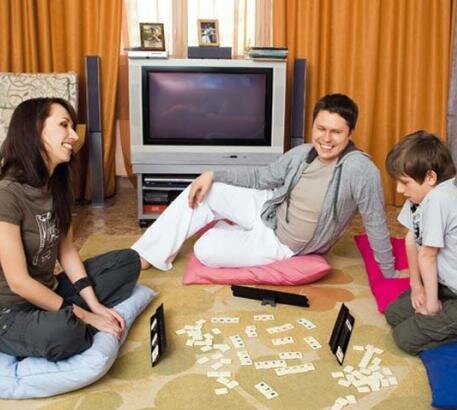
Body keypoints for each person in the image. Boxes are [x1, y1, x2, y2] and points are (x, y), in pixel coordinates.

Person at [132, 93, 396, 278]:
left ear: (350, 133)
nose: (326, 139)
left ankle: (232, 229)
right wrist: (212, 174)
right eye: (321, 128)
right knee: (205, 188)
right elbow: (262, 177)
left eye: (336, 132)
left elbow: (375, 220)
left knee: (204, 249)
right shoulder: (302, 152)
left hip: (281, 243)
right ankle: (145, 254)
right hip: (270, 207)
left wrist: (389, 272)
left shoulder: (360, 170)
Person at [0, 97, 141, 361]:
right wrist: (86, 316)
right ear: (35, 130)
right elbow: (19, 282)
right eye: (64, 125)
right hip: (7, 312)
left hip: (50, 294)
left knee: (128, 261)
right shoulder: (5, 195)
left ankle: (64, 317)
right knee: (66, 332)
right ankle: (64, 322)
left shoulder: (55, 186)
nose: (74, 136)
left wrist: (95, 305)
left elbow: (66, 251)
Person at [384, 131, 457, 354]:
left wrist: (431, 305)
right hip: (451, 287)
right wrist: (416, 286)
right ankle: (447, 310)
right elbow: (411, 238)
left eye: (404, 182)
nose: (399, 189)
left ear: (430, 177)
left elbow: (427, 255)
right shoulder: (420, 196)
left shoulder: (440, 199)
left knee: (405, 338)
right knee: (394, 314)